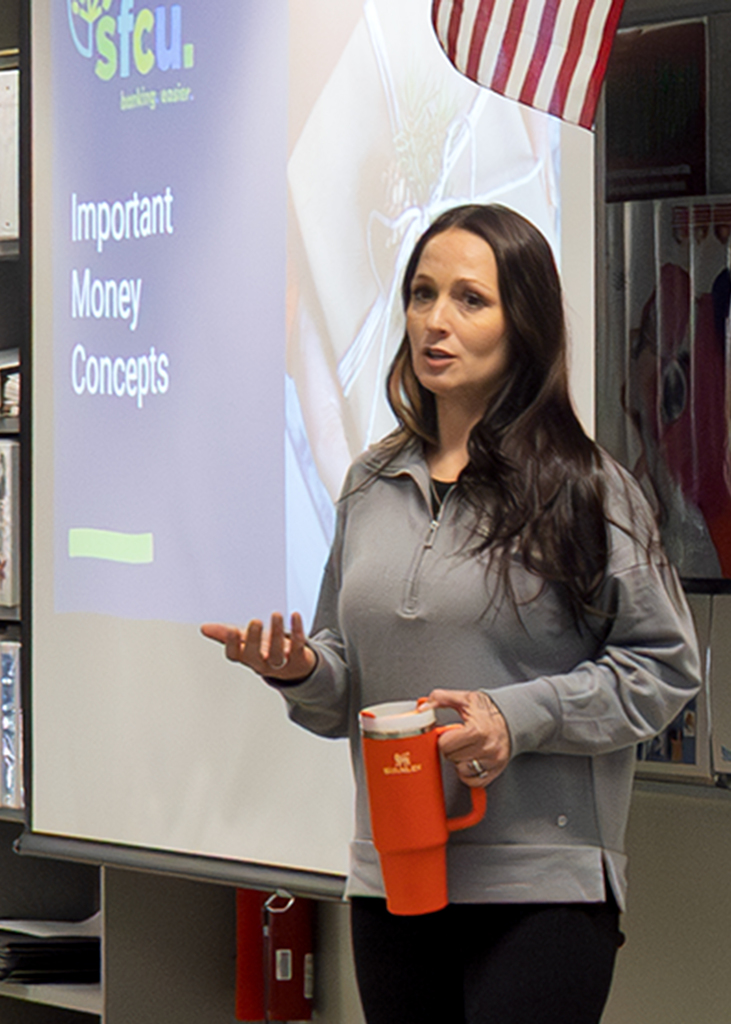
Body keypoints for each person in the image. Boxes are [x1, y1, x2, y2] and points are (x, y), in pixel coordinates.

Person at [202, 204, 701, 1024]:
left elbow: (662, 666)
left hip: (541, 890)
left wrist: (515, 718)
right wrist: (300, 671)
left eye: (470, 299)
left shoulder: (586, 488)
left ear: (524, 325)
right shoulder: (370, 481)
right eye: (422, 294)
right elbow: (345, 691)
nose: (435, 320)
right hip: (393, 880)